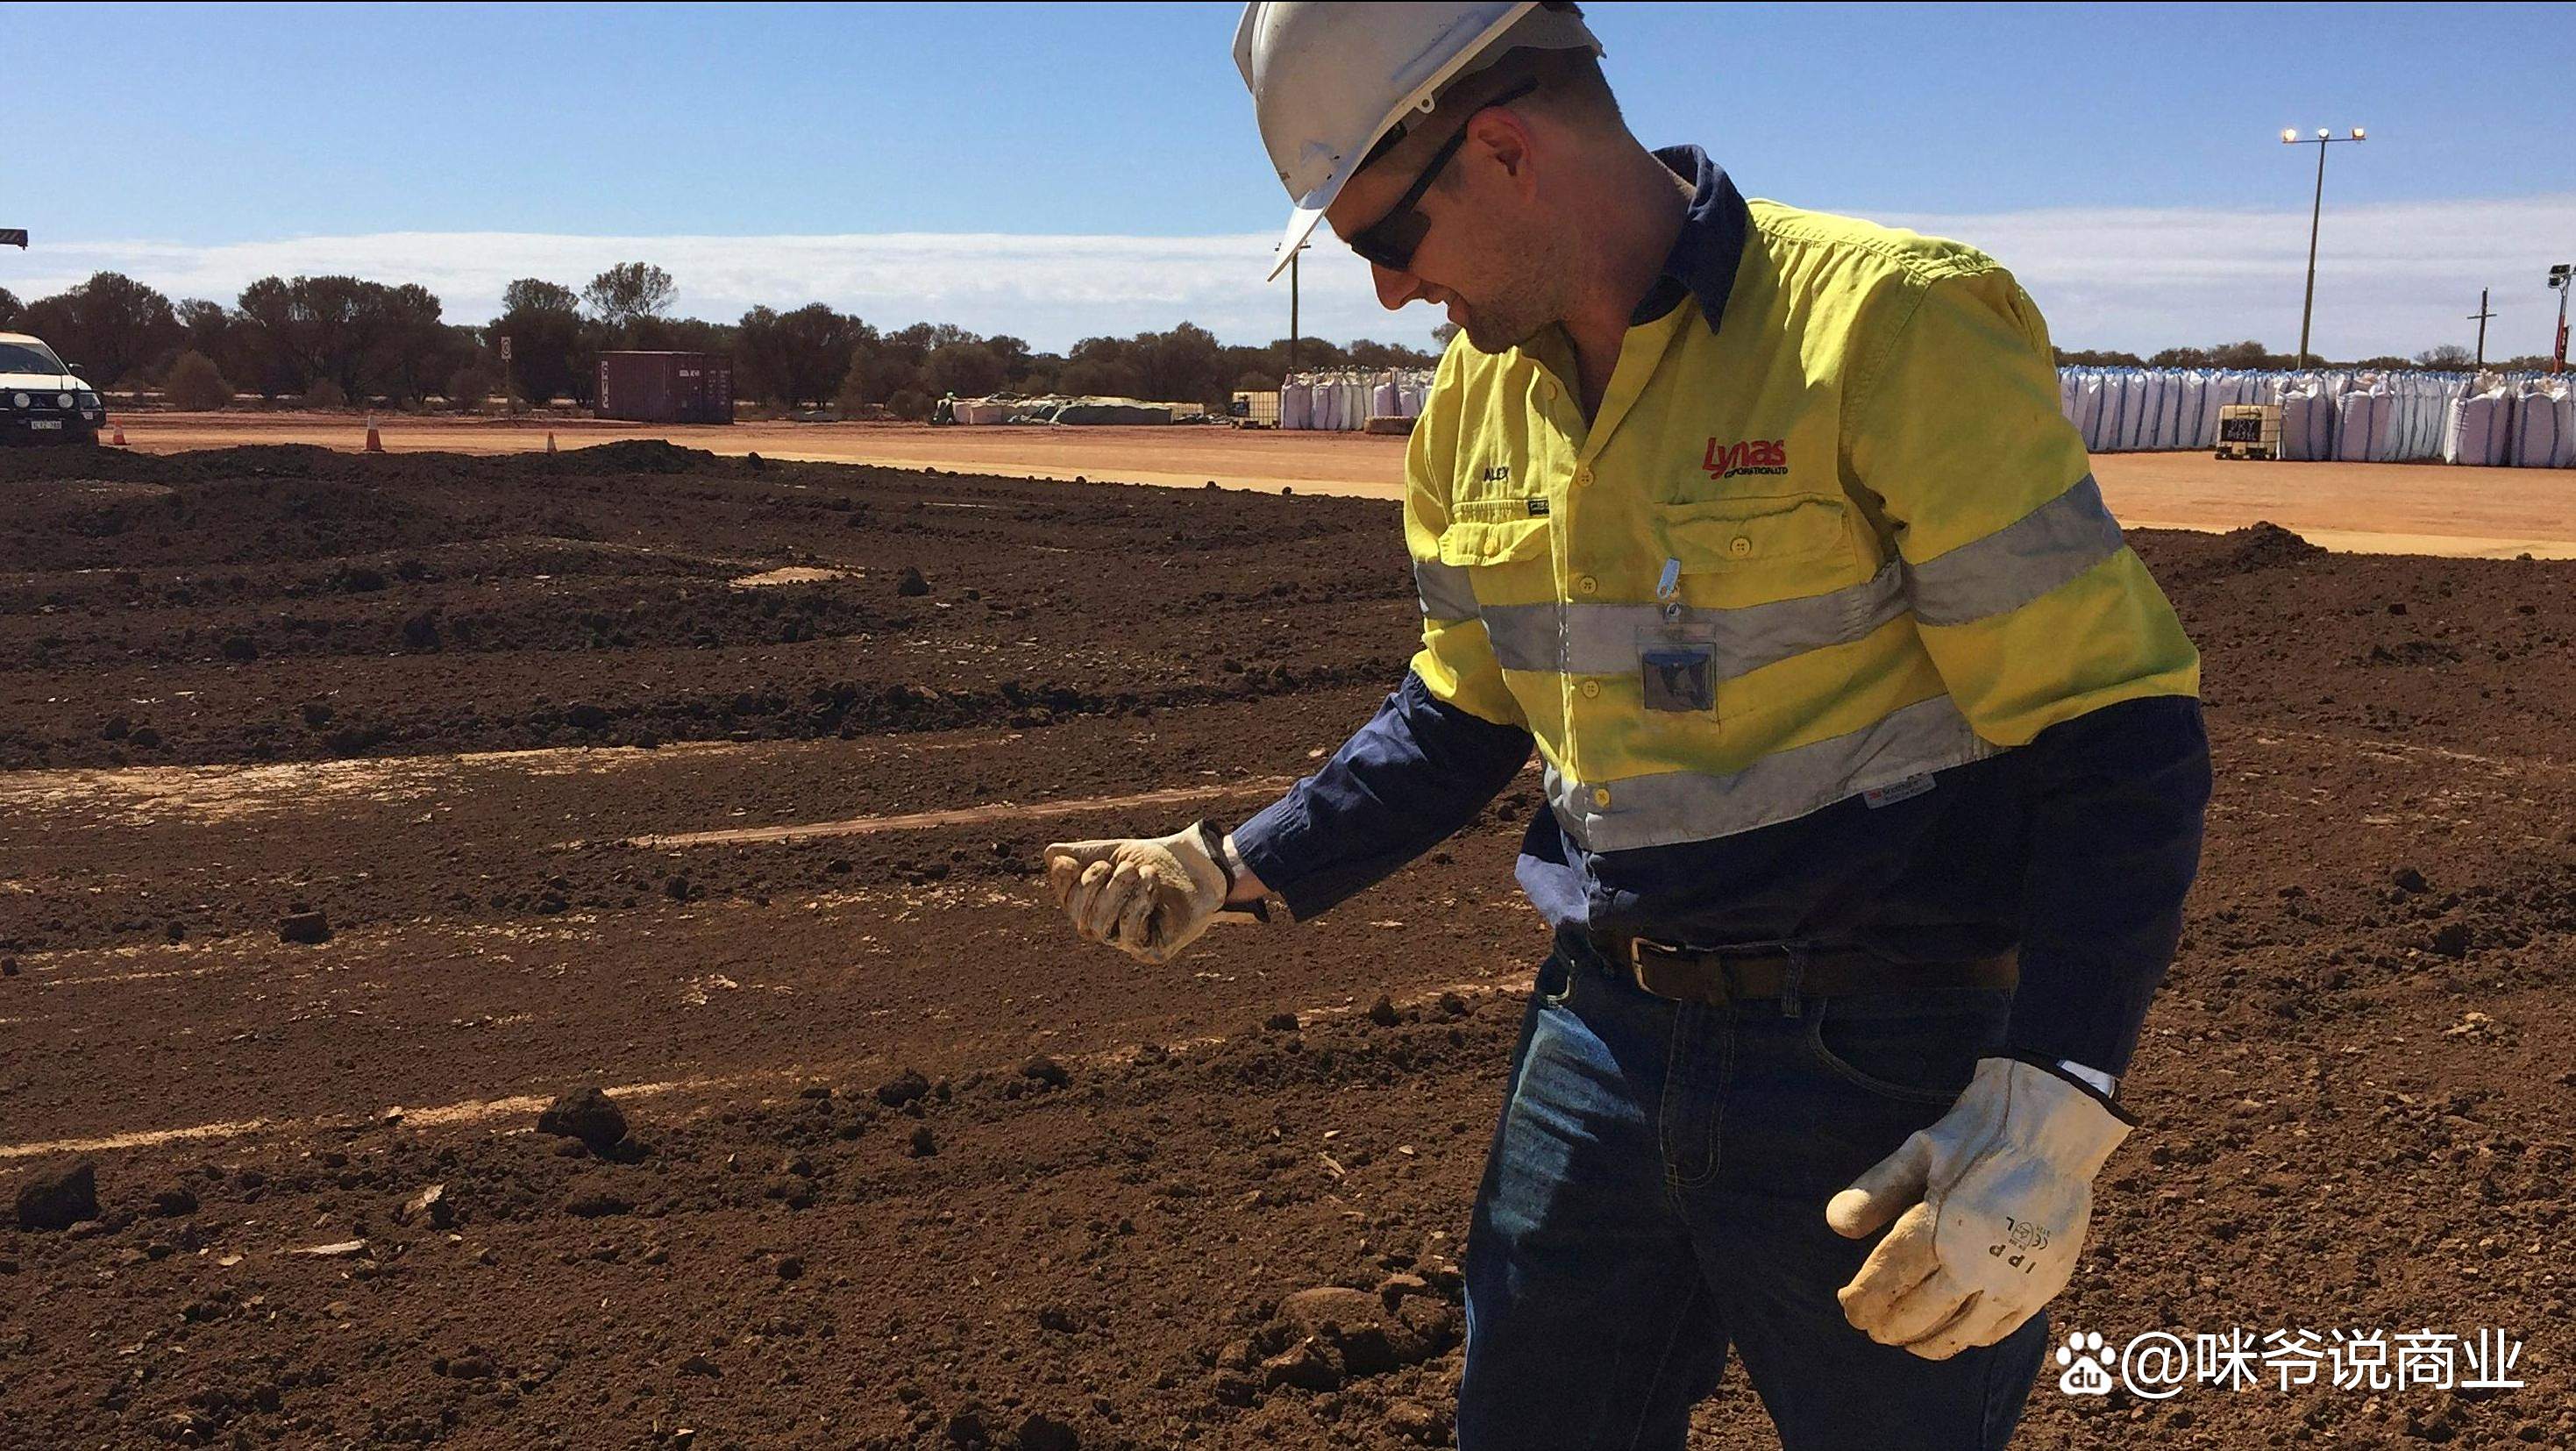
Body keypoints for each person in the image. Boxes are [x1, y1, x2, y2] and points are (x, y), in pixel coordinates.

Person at [1042, 4, 2211, 1446]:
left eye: (1378, 242)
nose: (1393, 297)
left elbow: (2112, 726)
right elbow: (1460, 711)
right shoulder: (1472, 402)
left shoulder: (1886, 327)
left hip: (1879, 1059)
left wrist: (2054, 1103)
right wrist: (1233, 864)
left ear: (1500, 149)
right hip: (1601, 1032)